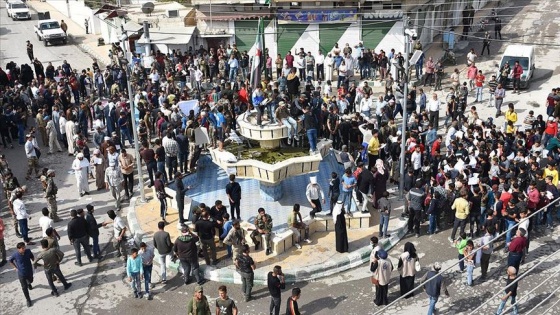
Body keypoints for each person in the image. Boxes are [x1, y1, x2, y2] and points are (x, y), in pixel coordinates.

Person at [9, 242, 35, 307]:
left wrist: (33, 260)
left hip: (29, 271)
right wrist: (15, 267)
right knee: (24, 287)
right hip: (21, 274)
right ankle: (28, 300)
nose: (24, 249)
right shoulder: (15, 255)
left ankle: (29, 283)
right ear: (18, 249)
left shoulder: (28, 251)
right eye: (22, 248)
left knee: (31, 280)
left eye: (24, 247)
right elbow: (10, 261)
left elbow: (32, 256)